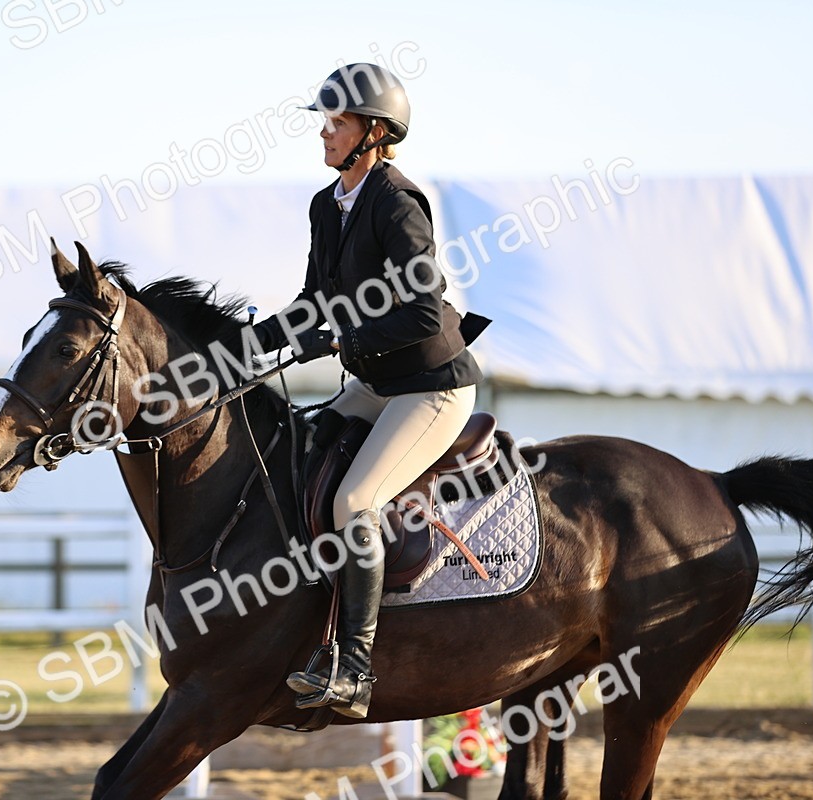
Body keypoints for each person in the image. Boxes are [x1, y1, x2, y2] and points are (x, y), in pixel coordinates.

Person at [248, 63, 488, 719]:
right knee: (296, 449)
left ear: (375, 132)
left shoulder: (397, 201)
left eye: (338, 122)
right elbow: (313, 303)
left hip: (431, 387)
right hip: (382, 383)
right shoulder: (327, 206)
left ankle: (354, 670)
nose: (325, 134)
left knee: (356, 498)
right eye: (325, 122)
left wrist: (343, 344)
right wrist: (243, 346)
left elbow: (419, 311)